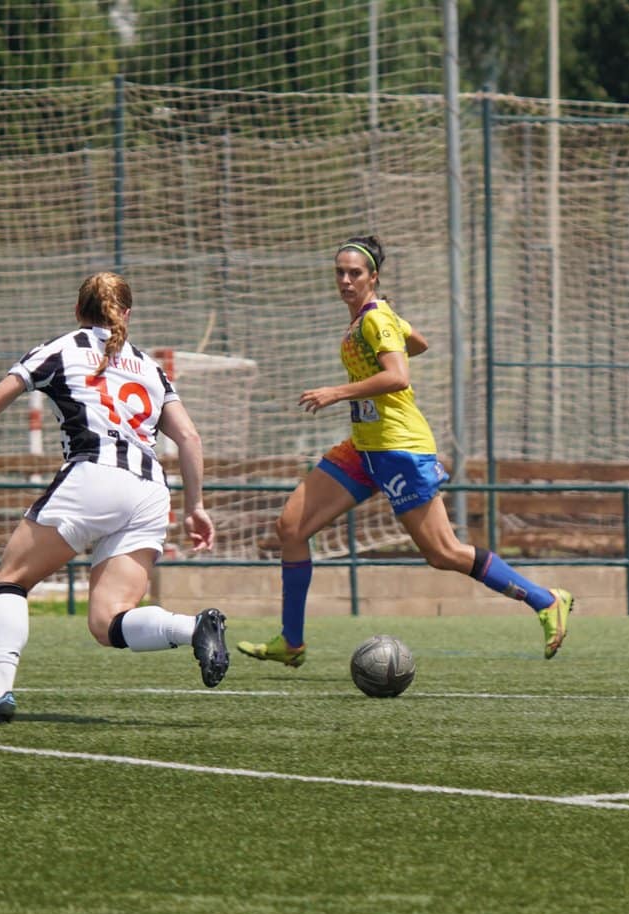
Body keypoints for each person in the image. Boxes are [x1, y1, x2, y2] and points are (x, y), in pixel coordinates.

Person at [236, 235, 572, 667]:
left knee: (443, 553)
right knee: (291, 527)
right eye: (339, 272)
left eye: (354, 273)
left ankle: (546, 601)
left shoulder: (374, 320)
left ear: (372, 277)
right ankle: (292, 641)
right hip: (364, 448)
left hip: (399, 448)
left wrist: (338, 391)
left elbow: (397, 375)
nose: (345, 279)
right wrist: (393, 327)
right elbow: (421, 342)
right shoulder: (375, 318)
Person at [0, 272, 229, 724]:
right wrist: (196, 506)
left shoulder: (61, 348)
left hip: (93, 477)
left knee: (11, 580)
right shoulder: (151, 367)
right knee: (108, 622)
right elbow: (190, 438)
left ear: (78, 311)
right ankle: (194, 627)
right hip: (149, 493)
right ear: (127, 314)